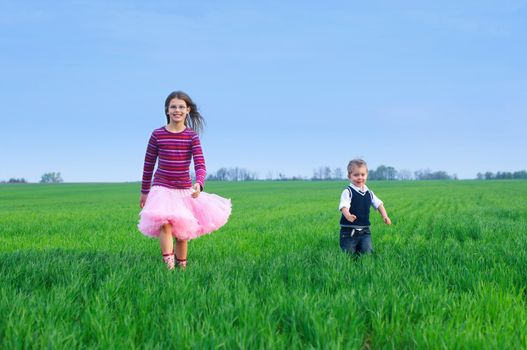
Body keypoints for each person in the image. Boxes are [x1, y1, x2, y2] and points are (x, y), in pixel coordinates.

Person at [138, 91, 231, 270]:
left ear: (188, 110)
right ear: (167, 110)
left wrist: (199, 183)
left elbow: (200, 164)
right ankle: (169, 267)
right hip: (161, 188)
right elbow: (148, 164)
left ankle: (182, 268)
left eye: (181, 107)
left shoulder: (191, 136)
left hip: (183, 189)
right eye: (173, 107)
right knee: (164, 224)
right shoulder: (157, 134)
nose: (177, 110)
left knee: (181, 233)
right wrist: (144, 191)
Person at [338, 159, 391, 256]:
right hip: (349, 231)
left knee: (367, 253)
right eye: (356, 175)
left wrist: (385, 216)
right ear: (349, 177)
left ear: (366, 175)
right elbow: (344, 206)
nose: (360, 178)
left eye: (363, 175)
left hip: (365, 231)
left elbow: (379, 204)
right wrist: (348, 216)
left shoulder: (369, 193)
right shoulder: (348, 192)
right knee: (349, 255)